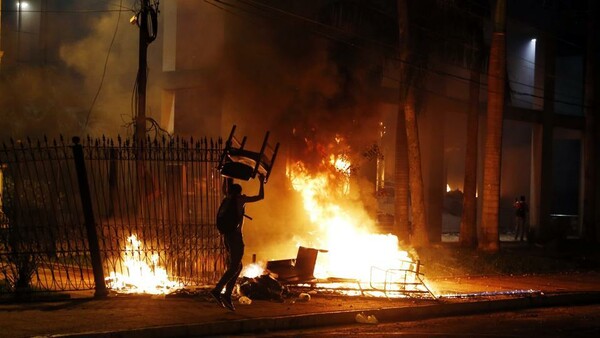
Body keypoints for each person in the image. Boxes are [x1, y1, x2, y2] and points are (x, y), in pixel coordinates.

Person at [210, 174, 264, 311]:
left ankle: (227, 295)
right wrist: (261, 182)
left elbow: (224, 188)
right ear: (239, 191)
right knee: (234, 267)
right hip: (235, 237)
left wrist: (226, 176)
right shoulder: (240, 199)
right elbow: (260, 196)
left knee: (238, 266)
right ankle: (218, 290)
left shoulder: (227, 198)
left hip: (227, 237)